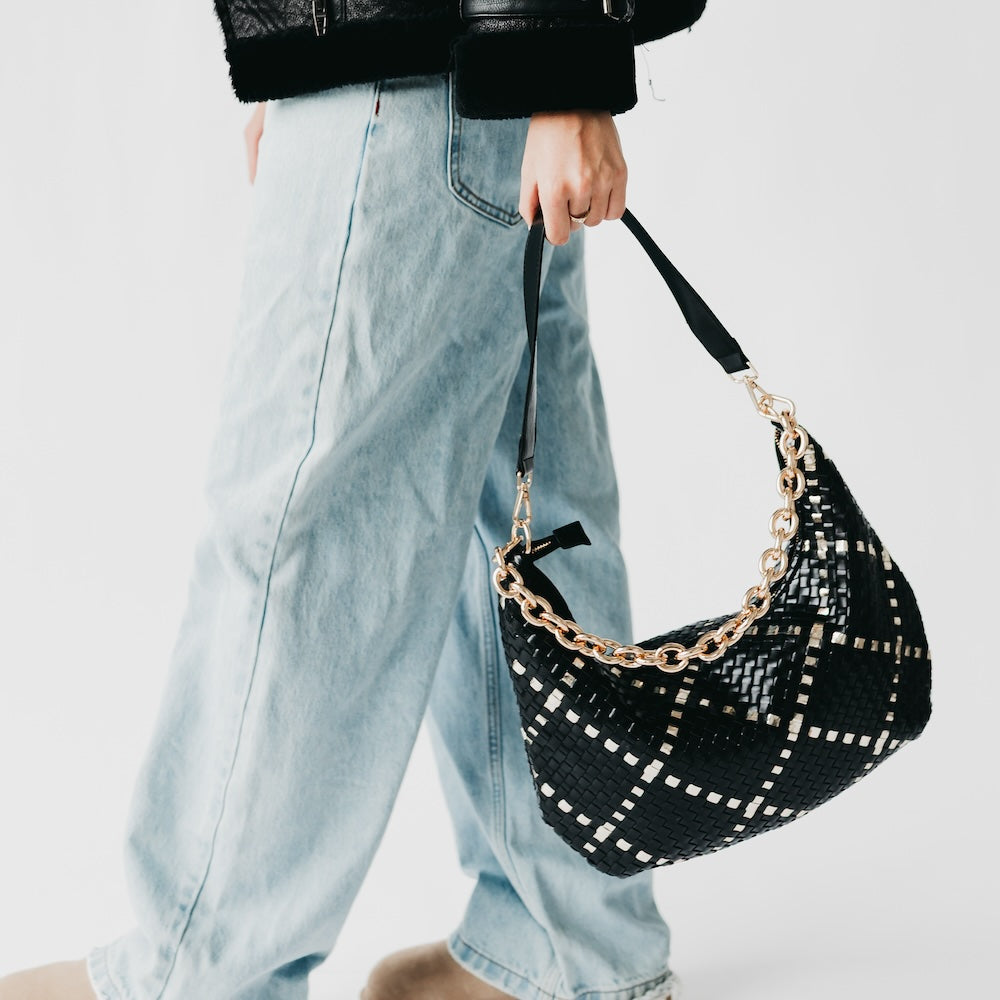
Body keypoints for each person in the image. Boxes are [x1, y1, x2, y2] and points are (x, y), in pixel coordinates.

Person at [0, 3, 708, 998]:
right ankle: (568, 938)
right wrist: (304, 56)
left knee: (298, 529)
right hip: (441, 66)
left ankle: (202, 974)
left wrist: (551, 62)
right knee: (518, 518)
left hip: (424, 69)